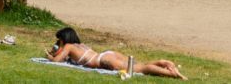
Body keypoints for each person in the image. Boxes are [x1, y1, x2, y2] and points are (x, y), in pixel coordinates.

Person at [48, 27, 185, 79]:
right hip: (108, 54)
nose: (58, 43)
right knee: (137, 65)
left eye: (59, 41)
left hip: (104, 60)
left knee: (141, 69)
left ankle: (172, 74)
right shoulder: (80, 45)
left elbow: (57, 61)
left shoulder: (68, 47)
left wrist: (50, 56)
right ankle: (161, 63)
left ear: (63, 40)